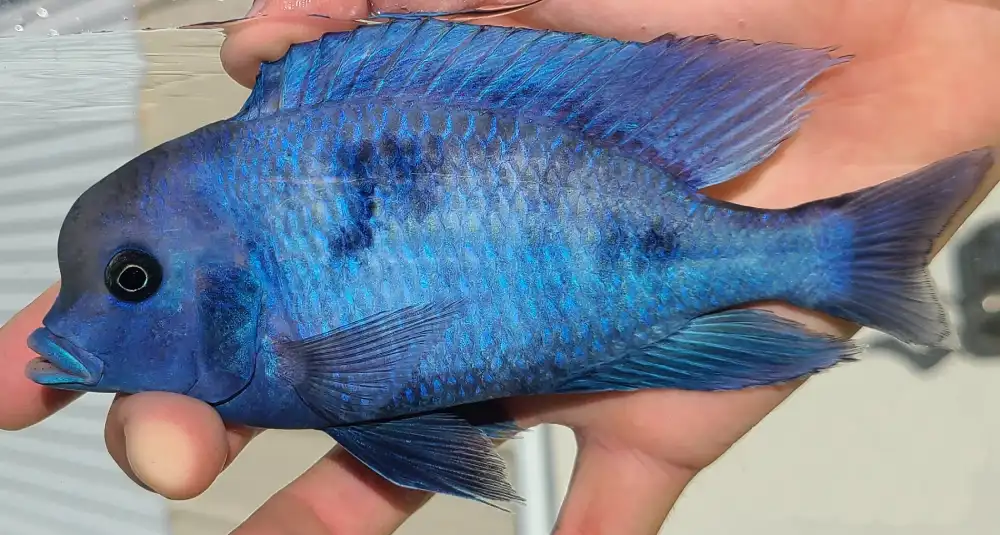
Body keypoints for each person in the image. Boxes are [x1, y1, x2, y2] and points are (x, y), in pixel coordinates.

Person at [1, 1, 999, 533]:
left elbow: (385, 390)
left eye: (131, 280)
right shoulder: (249, 233)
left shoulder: (275, 304)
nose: (83, 320)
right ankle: (837, 252)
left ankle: (840, 249)